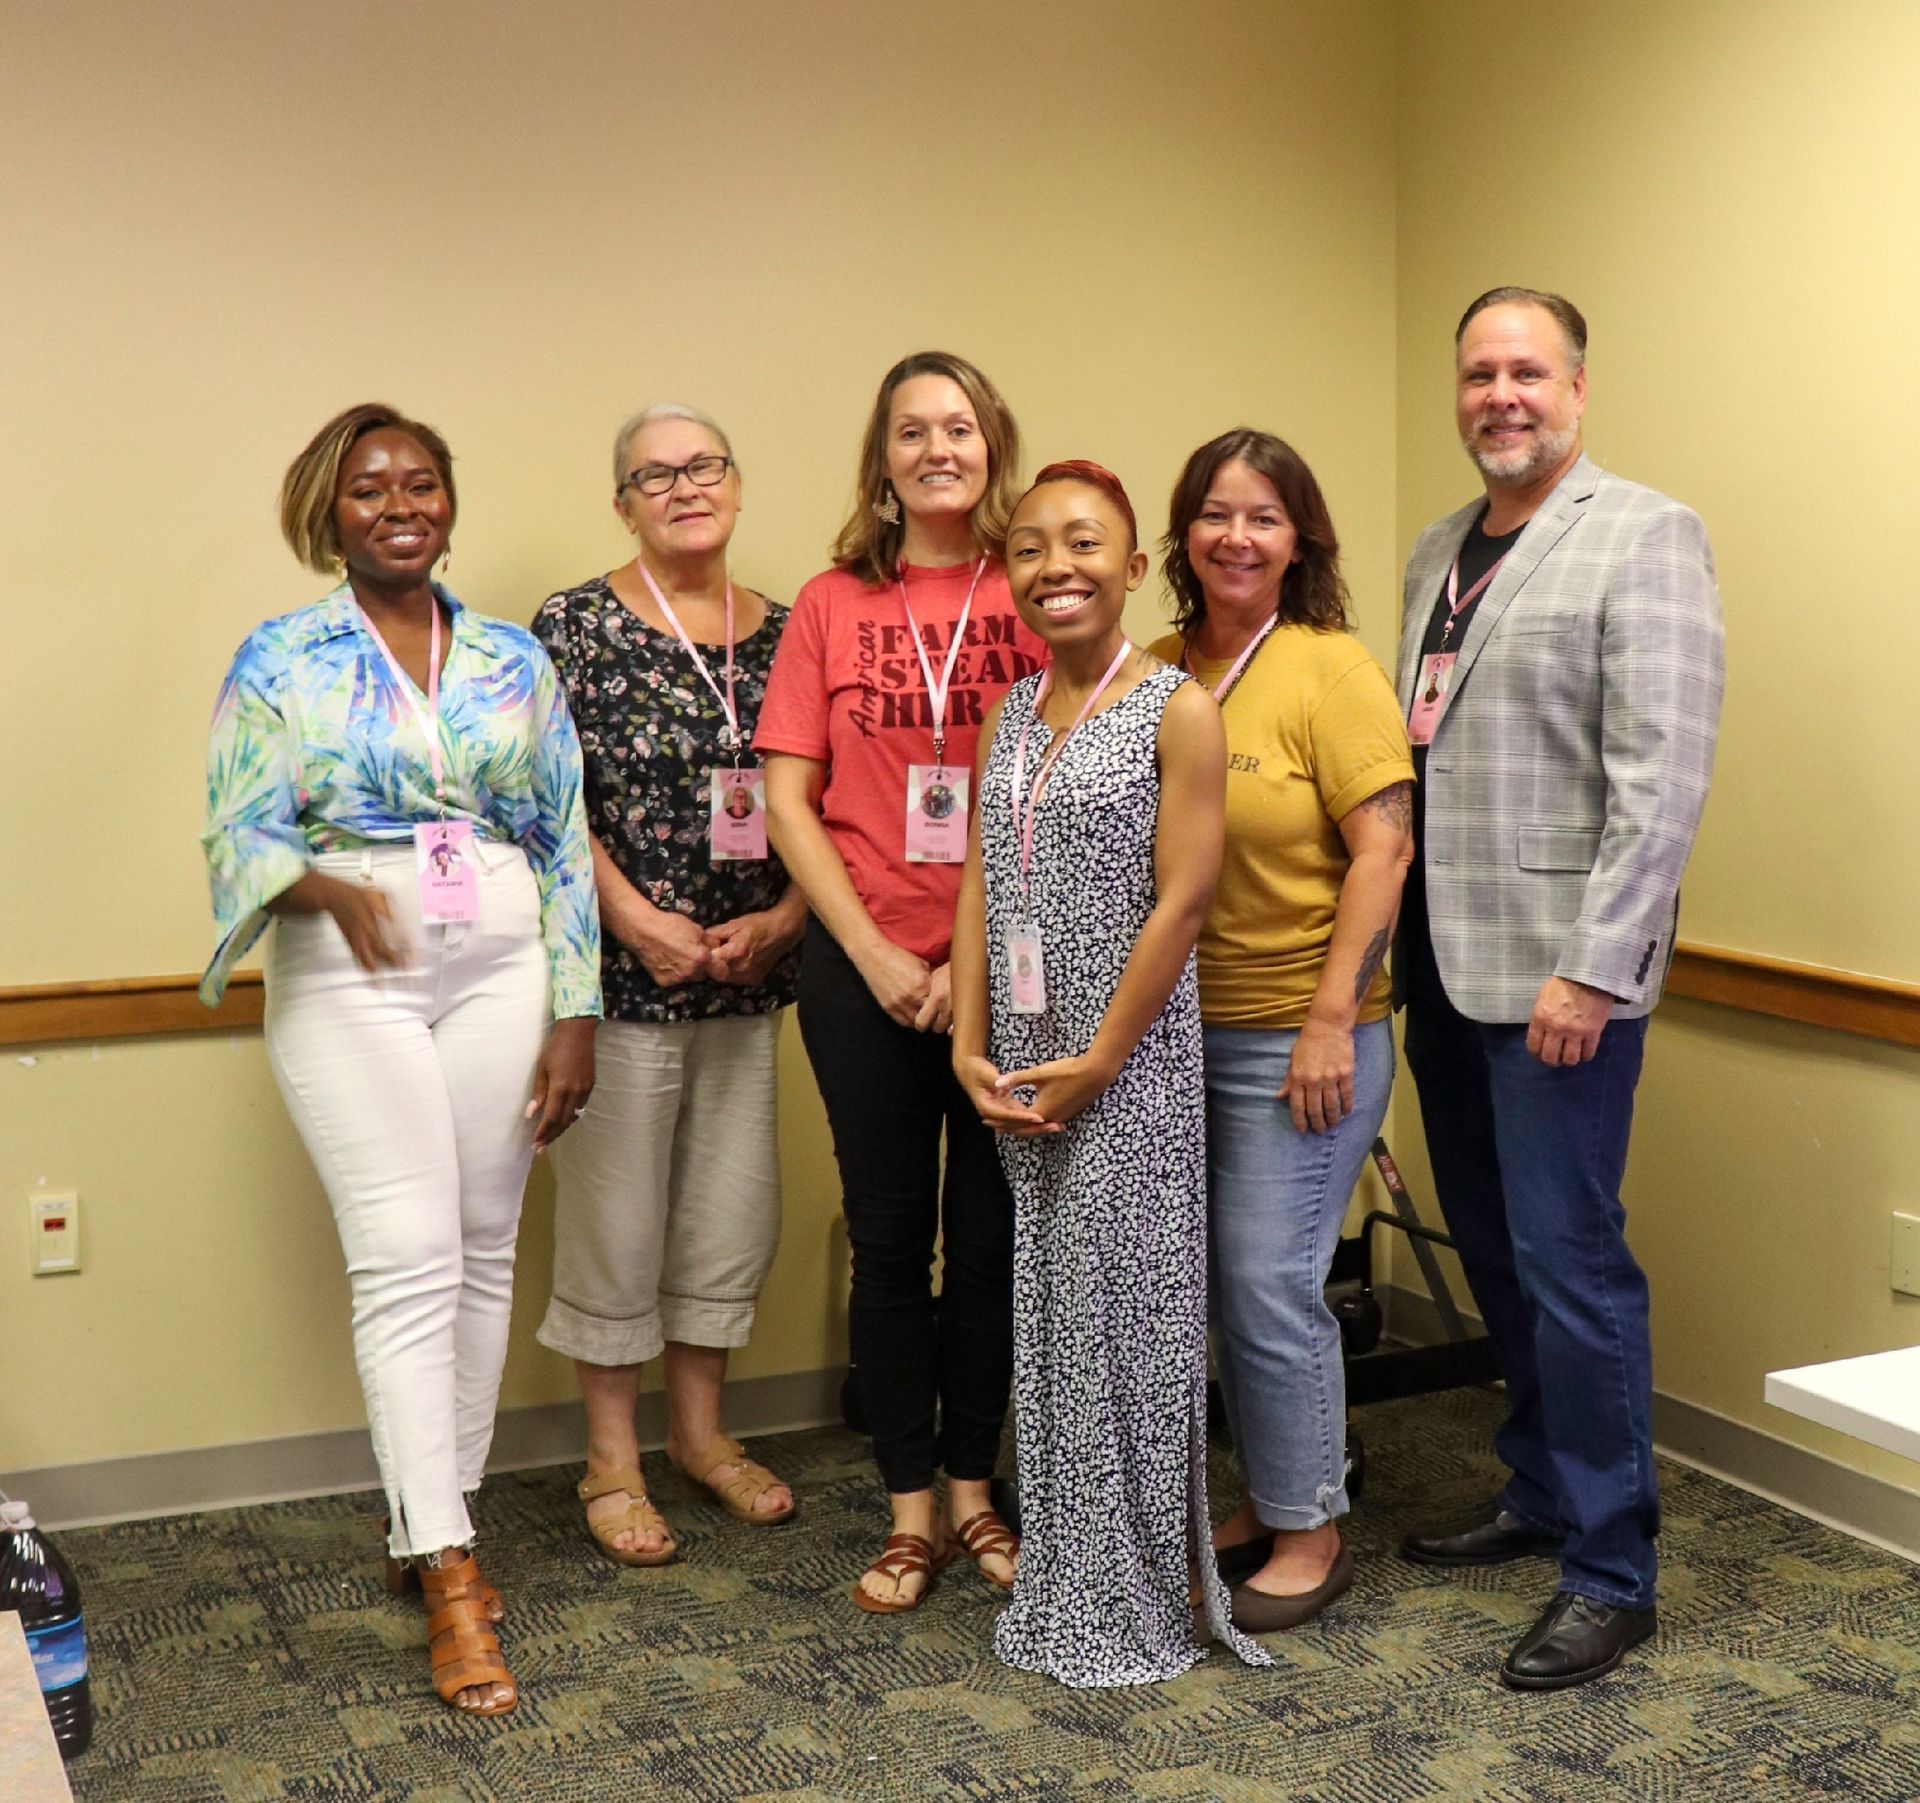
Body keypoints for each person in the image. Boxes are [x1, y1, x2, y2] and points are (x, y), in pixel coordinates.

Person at [200, 402, 601, 1717]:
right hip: (351, 962)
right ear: (331, 511)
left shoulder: (508, 655)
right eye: (369, 489)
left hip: (501, 953)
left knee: (486, 1240)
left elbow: (558, 834)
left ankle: (436, 1510)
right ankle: (448, 1571)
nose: (399, 504)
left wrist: (574, 1005)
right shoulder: (281, 657)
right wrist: (320, 885)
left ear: (446, 502)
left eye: (420, 483)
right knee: (410, 1252)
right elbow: (239, 828)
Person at [1394, 289, 1724, 1689]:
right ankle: (1536, 1484)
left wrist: (1596, 966)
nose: (1502, 394)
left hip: (1557, 980)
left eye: (1528, 370)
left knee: (1574, 1265)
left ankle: (1612, 1565)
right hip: (1440, 961)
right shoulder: (1435, 550)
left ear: (1578, 388)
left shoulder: (1644, 533)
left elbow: (1663, 780)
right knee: (1495, 1248)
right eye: (1480, 373)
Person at [952, 460, 1268, 1686]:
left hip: (1124, 1061)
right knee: (1050, 1314)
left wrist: (1099, 1061)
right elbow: (981, 881)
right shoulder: (1009, 714)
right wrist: (966, 1040)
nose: (1056, 567)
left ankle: (1134, 1587)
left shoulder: (1177, 708)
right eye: (1029, 548)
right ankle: (1069, 1566)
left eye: (1084, 544)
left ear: (1134, 569)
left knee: (1129, 1321)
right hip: (1025, 1058)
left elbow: (1185, 901)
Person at [758, 351, 1046, 1612]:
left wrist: (963, 969)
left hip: (1011, 973)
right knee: (890, 1243)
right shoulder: (830, 603)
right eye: (913, 430)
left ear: (995, 447)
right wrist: (879, 954)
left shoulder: (1039, 586)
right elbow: (786, 801)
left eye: (962, 427)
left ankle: (978, 1489)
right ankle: (910, 1508)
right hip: (861, 972)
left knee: (991, 1243)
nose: (940, 448)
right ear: (882, 460)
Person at [1147, 430, 1414, 1633]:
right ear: (1182, 534)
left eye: (1262, 516)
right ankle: (1264, 1497)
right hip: (1167, 1038)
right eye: (1214, 513)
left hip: (1298, 1037)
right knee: (1213, 1285)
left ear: (1297, 536)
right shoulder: (1151, 670)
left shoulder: (1329, 669)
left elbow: (1386, 849)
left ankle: (1311, 1529)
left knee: (1269, 1281)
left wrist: (1327, 1020)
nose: (1235, 537)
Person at [532, 405, 807, 1567]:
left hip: (748, 977)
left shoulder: (793, 631)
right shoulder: (575, 626)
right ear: (624, 504)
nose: (685, 486)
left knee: (727, 1211)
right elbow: (544, 806)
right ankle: (611, 1458)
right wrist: (634, 923)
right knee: (619, 1216)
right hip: (624, 977)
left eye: (705, 466)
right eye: (657, 474)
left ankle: (700, 1436)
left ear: (738, 485)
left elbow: (819, 805)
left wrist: (788, 920)